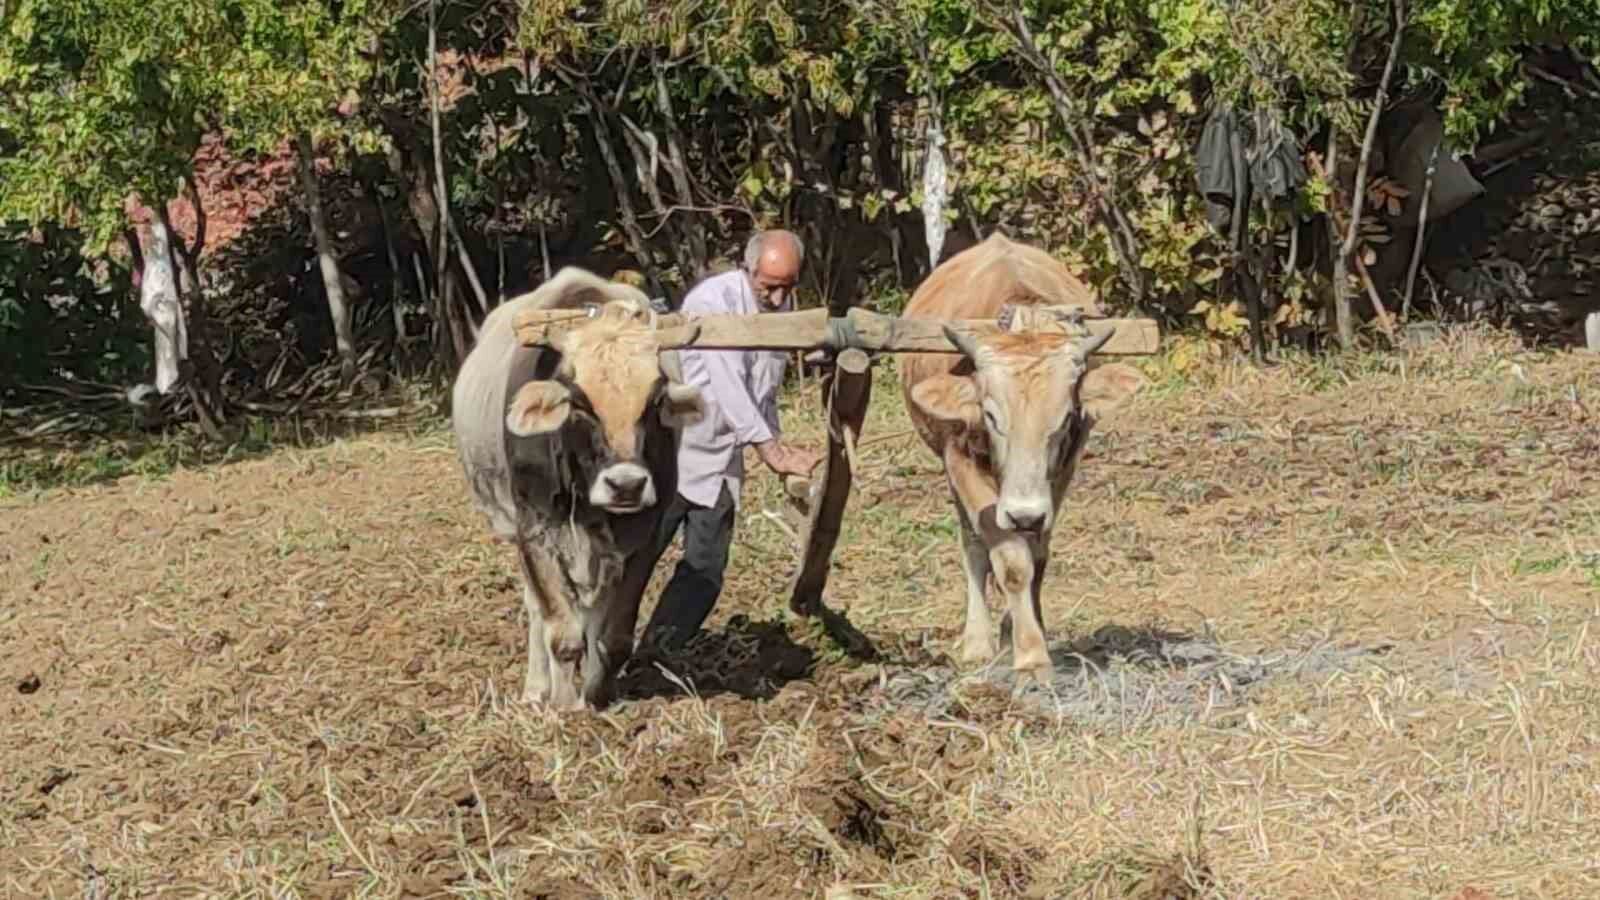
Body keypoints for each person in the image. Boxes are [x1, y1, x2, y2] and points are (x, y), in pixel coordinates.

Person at [638, 230, 822, 653]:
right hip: (675, 451)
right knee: (636, 559)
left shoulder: (782, 308)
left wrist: (778, 441)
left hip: (721, 459)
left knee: (705, 568)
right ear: (748, 269)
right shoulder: (712, 302)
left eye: (787, 288)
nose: (777, 299)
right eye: (769, 287)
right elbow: (728, 384)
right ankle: (603, 646)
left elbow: (765, 388)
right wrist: (771, 451)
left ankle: (656, 652)